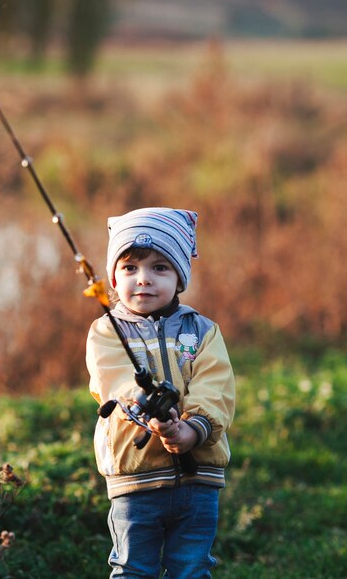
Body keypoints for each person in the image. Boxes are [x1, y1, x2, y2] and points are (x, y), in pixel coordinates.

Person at [86, 207, 235, 579]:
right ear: (114, 276)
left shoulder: (203, 331)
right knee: (133, 568)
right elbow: (114, 381)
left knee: (193, 568)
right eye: (130, 268)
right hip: (134, 478)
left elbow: (216, 387)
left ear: (181, 276)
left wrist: (192, 429)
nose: (144, 280)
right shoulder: (105, 331)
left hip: (199, 477)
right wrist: (146, 408)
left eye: (160, 268)